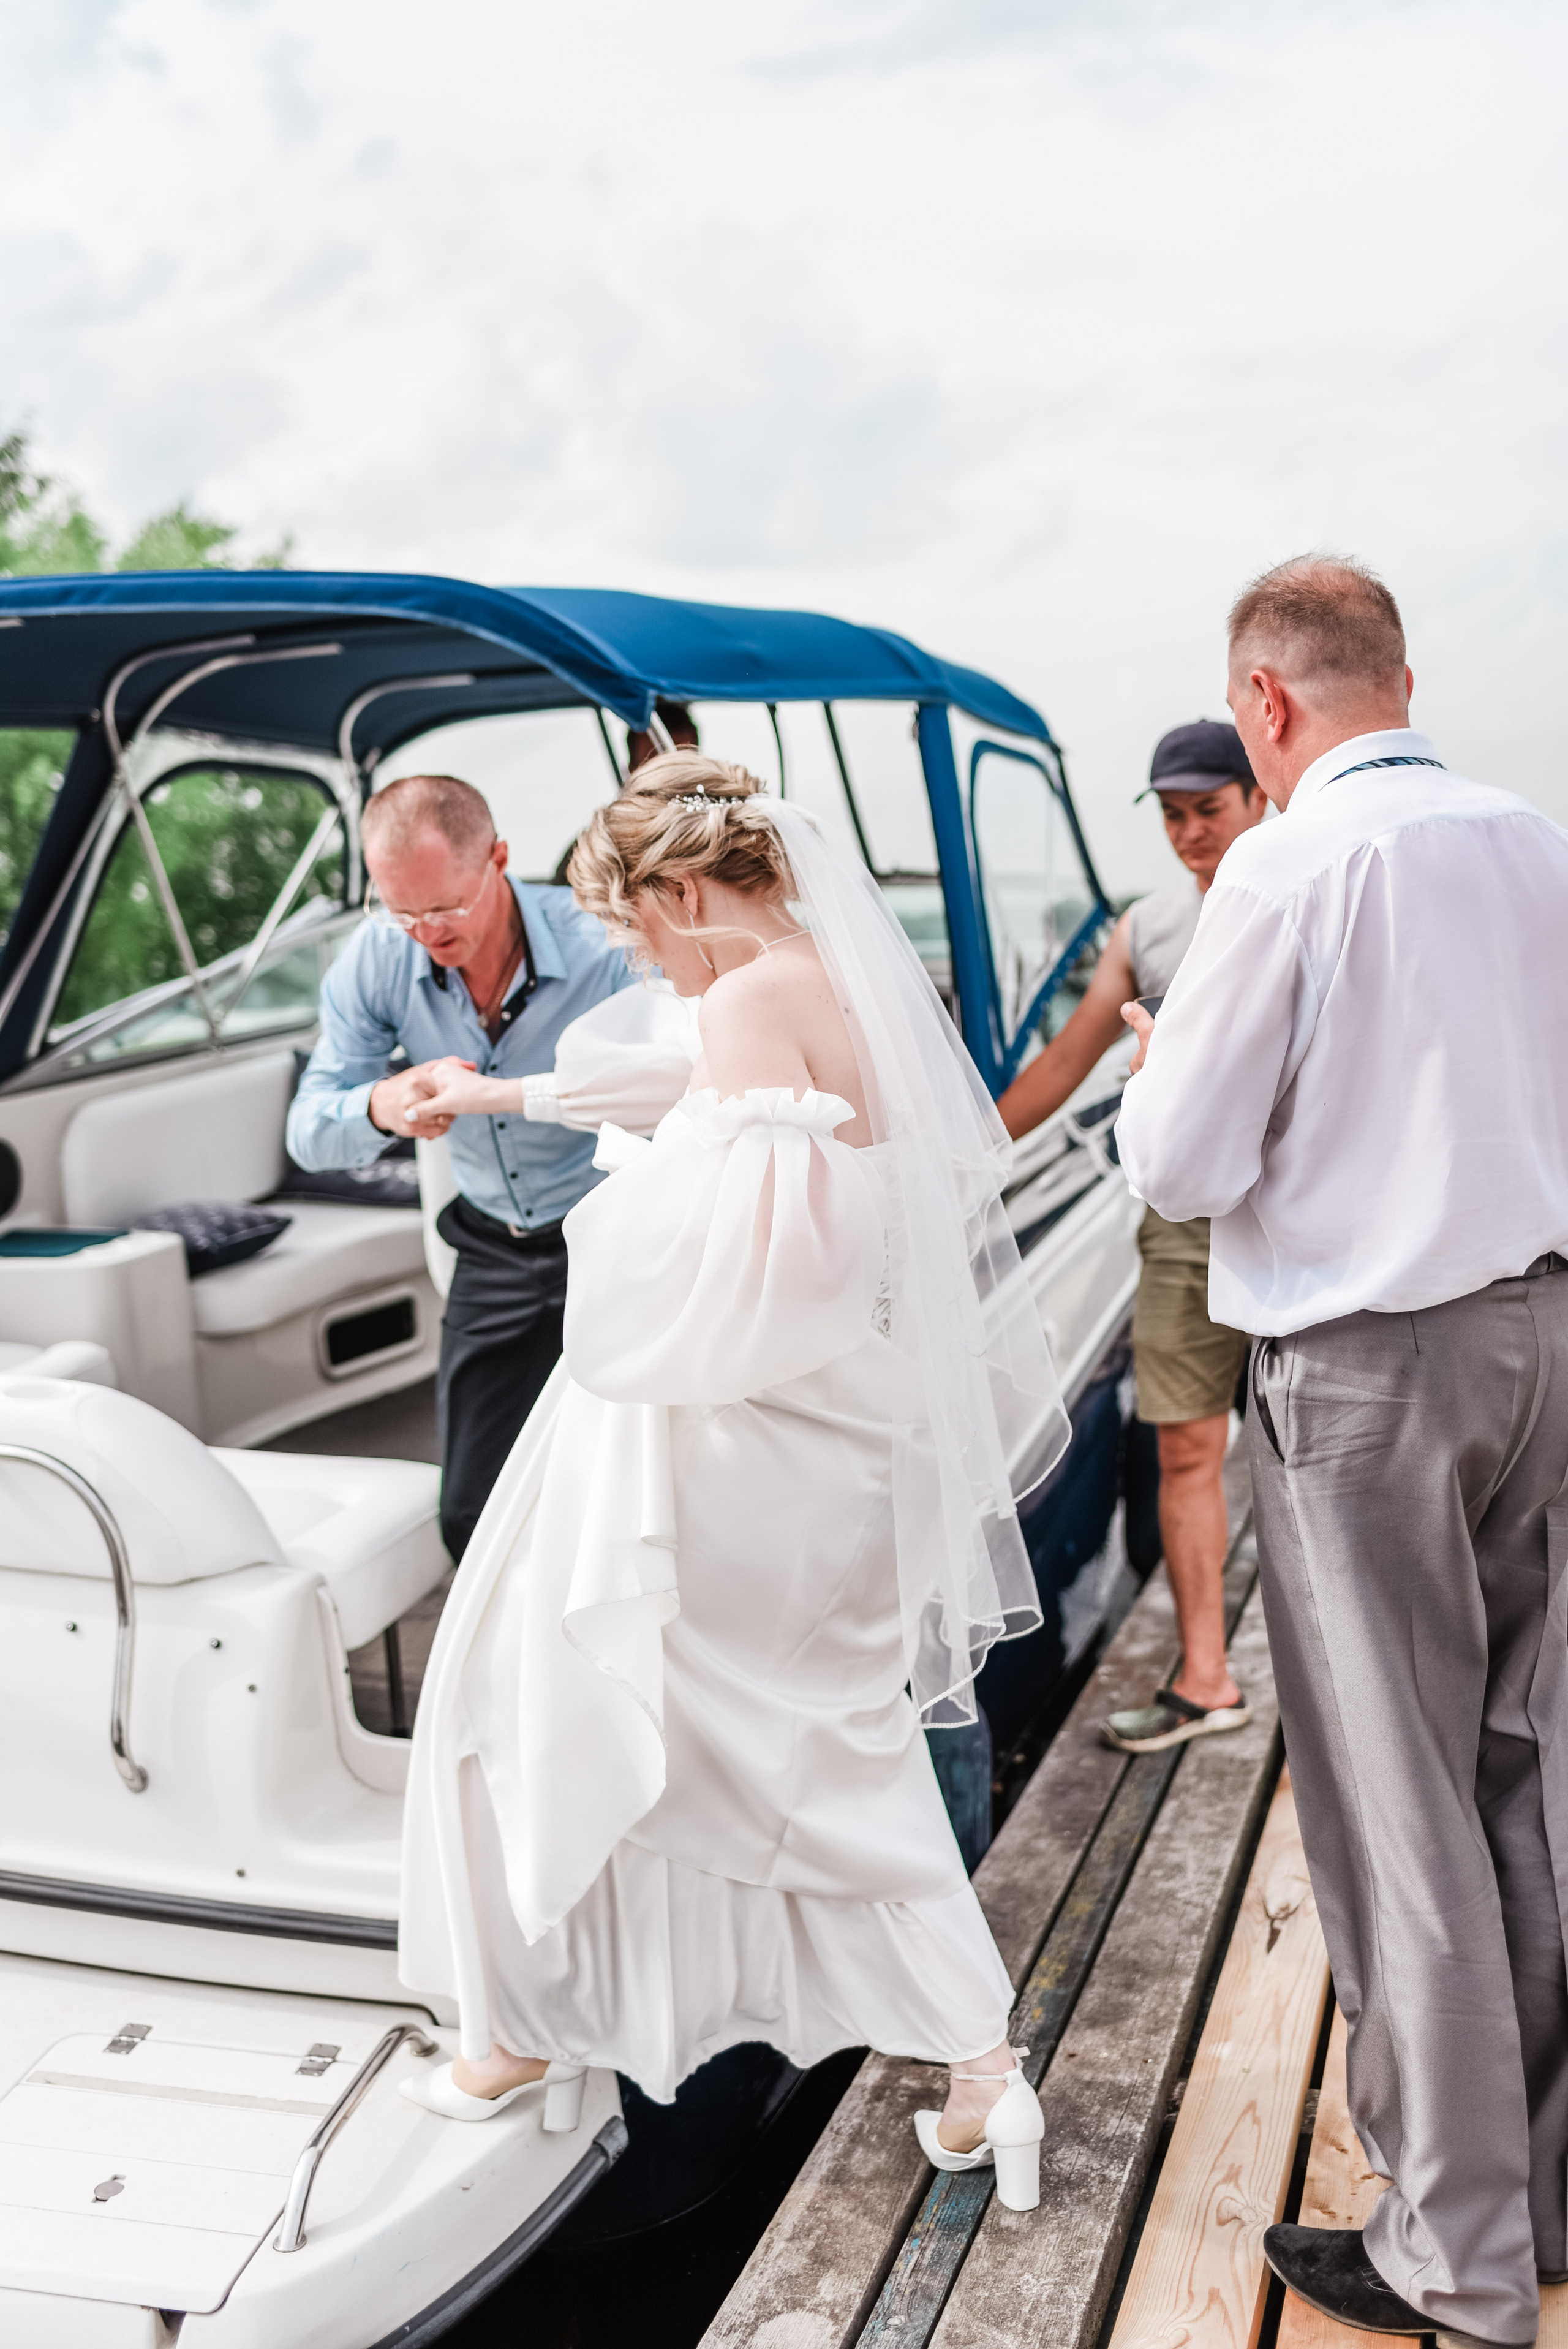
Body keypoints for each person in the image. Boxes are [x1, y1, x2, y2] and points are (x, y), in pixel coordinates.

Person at [393, 754, 1068, 2210]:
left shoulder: (755, 992)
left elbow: (767, 1265)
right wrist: (515, 1089)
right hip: (825, 1440)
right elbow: (705, 1088)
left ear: (686, 889)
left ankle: (519, 2025)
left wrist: (623, 1218)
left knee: (529, 1678)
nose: (640, 953)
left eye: (639, 926)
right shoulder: (818, 973)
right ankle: (975, 2069)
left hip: (735, 1436)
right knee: (813, 1747)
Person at [1116, 555, 1568, 2349]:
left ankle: (1453, 2260)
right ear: (1396, 673)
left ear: (1267, 704)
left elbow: (1180, 1164)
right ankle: (1533, 2188)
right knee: (1527, 1770)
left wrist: (1161, 1067)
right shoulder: (1533, 838)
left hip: (1371, 1367)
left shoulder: (1288, 863)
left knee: (1400, 1813)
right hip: (1548, 1335)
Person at [287, 772, 639, 1560]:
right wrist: (381, 1105)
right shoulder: (376, 960)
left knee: (628, 1496)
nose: (424, 932)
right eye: (400, 911)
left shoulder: (603, 945)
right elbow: (308, 1131)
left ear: (500, 860)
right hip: (491, 1249)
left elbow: (670, 1086)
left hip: (615, 1235)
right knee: (470, 1515)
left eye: (444, 908)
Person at [997, 721, 1265, 1753]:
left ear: (1259, 796)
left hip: (1308, 1221)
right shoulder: (1147, 926)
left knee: (1319, 1454)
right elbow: (1069, 1058)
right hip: (1186, 1223)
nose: (1191, 831)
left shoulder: (1313, 895)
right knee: (1187, 1442)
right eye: (1173, 815)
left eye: (1209, 808)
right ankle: (1206, 1676)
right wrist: (962, 1157)